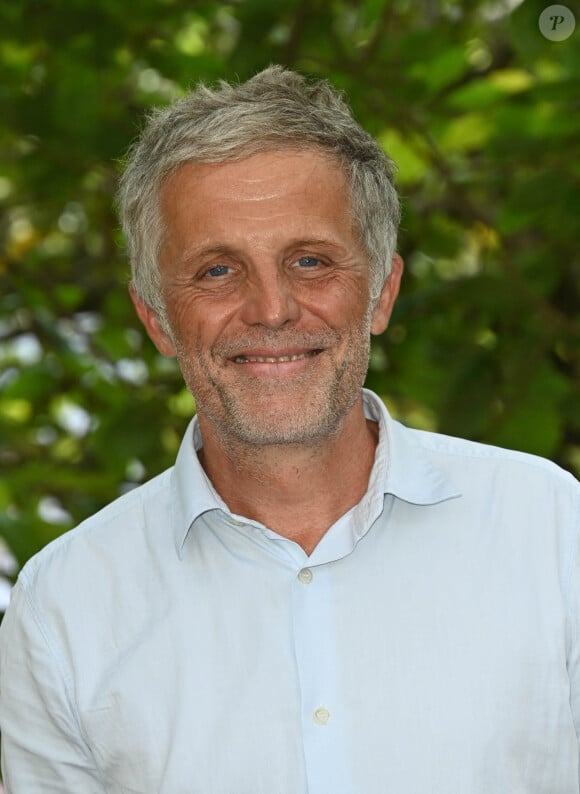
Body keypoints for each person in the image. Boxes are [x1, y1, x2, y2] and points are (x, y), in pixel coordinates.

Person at [0, 65, 579, 794]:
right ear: (156, 320)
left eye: (309, 261)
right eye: (216, 270)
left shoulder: (554, 531)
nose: (271, 309)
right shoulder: (65, 608)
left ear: (382, 292)